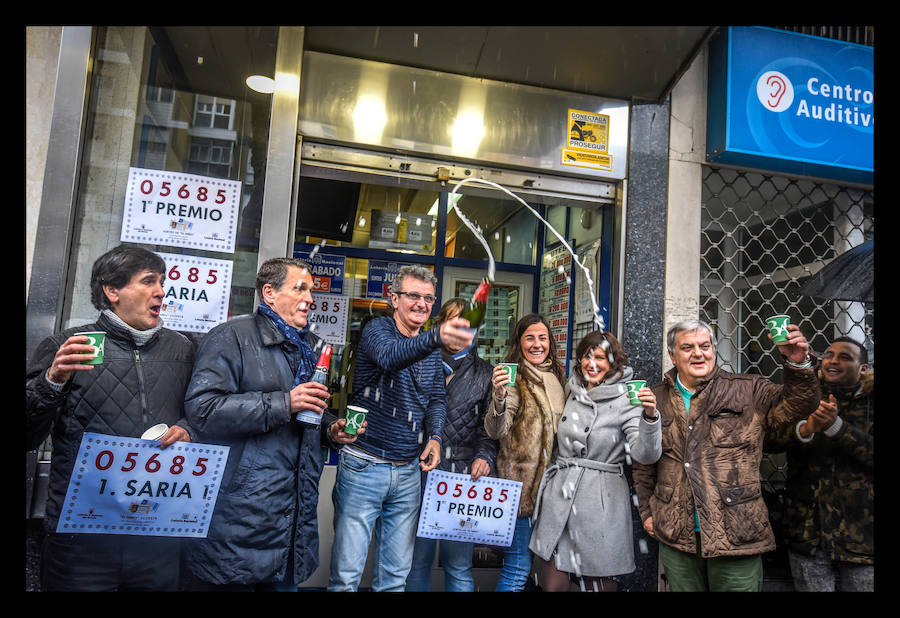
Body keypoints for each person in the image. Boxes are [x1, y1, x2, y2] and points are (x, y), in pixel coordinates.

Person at [182, 257, 363, 591]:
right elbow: (203, 410)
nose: (311, 299)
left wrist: (330, 429)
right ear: (269, 292)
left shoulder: (307, 347)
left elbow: (305, 413)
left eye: (311, 290)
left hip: (292, 515)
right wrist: (285, 402)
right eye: (301, 289)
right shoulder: (230, 337)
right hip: (240, 515)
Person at [25, 244, 196, 591]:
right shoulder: (69, 346)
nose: (161, 290)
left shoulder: (184, 349)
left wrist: (189, 429)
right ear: (112, 290)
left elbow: (202, 414)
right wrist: (51, 382)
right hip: (81, 541)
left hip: (157, 536)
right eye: (148, 281)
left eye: (162, 282)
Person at [632, 318, 820, 592]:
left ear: (713, 350)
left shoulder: (747, 390)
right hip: (676, 536)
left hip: (736, 534)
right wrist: (647, 512)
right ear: (672, 355)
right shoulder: (657, 397)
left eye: (705, 346)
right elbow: (644, 463)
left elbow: (799, 405)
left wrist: (798, 365)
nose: (698, 353)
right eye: (688, 347)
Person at [328, 265, 475, 592]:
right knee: (346, 579)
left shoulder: (429, 347)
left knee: (395, 580)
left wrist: (435, 437)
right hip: (364, 465)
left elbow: (437, 397)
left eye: (428, 298)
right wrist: (436, 336)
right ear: (393, 298)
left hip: (408, 472)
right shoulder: (376, 331)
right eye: (413, 296)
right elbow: (391, 357)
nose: (421, 304)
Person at [530, 330, 662, 592]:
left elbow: (645, 454)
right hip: (560, 498)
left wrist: (650, 416)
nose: (591, 364)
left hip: (601, 503)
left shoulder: (628, 399)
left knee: (598, 586)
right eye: (586, 356)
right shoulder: (571, 389)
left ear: (613, 362)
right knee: (552, 585)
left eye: (600, 358)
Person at [764, 337, 873, 591]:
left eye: (845, 357)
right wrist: (806, 428)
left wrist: (837, 428)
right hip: (807, 534)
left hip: (863, 538)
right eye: (830, 355)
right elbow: (767, 440)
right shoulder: (804, 395)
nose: (833, 361)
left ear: (863, 369)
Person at [405, 298, 498, 592]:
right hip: (416, 473)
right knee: (415, 561)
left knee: (458, 565)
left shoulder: (485, 373)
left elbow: (490, 429)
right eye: (453, 323)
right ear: (440, 326)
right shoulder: (418, 362)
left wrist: (485, 456)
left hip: (460, 480)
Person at [484, 314, 566, 592]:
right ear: (519, 343)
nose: (537, 344)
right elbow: (496, 429)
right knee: (518, 566)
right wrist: (498, 396)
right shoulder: (513, 379)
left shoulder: (556, 377)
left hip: (553, 492)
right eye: (529, 337)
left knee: (539, 569)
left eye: (542, 337)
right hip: (521, 491)